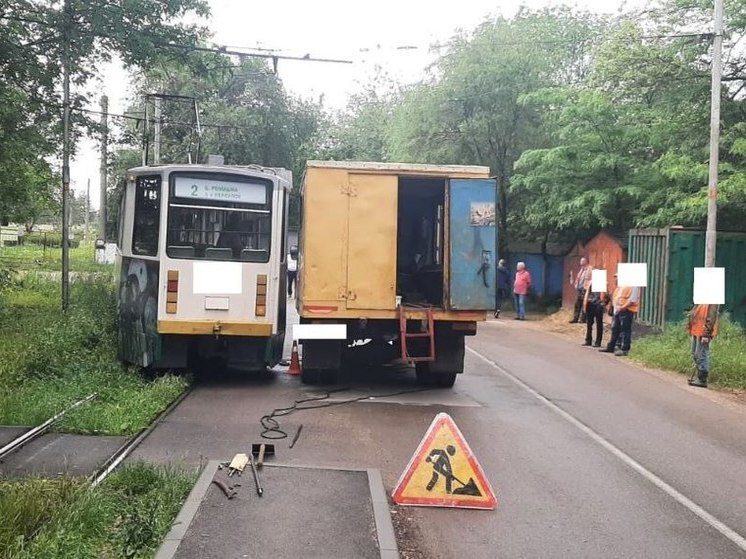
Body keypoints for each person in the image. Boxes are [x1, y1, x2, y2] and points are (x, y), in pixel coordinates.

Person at [599, 275, 639, 356]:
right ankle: (611, 347)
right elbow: (616, 298)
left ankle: (625, 349)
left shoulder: (633, 286)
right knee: (615, 329)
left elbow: (633, 300)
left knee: (625, 330)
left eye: (618, 277)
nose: (616, 279)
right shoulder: (620, 287)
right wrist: (615, 309)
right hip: (618, 311)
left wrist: (623, 307)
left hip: (627, 310)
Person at [686, 304, 720, 388]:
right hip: (696, 329)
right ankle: (699, 376)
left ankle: (702, 379)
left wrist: (707, 333)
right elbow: (694, 312)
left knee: (702, 354)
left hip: (704, 331)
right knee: (695, 353)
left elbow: (712, 317)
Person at [582, 281, 607, 347]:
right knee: (590, 323)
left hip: (597, 304)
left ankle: (596, 341)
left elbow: (602, 296)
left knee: (597, 324)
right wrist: (585, 304)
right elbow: (587, 293)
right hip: (591, 304)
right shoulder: (591, 283)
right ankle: (589, 340)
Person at [569, 257, 592, 323]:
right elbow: (578, 278)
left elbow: (592, 279)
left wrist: (589, 288)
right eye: (580, 261)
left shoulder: (590, 269)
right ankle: (575, 318)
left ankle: (583, 319)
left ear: (586, 261)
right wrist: (576, 284)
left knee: (584, 304)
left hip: (586, 289)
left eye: (582, 261)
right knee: (577, 304)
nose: (580, 262)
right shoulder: (582, 269)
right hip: (580, 289)